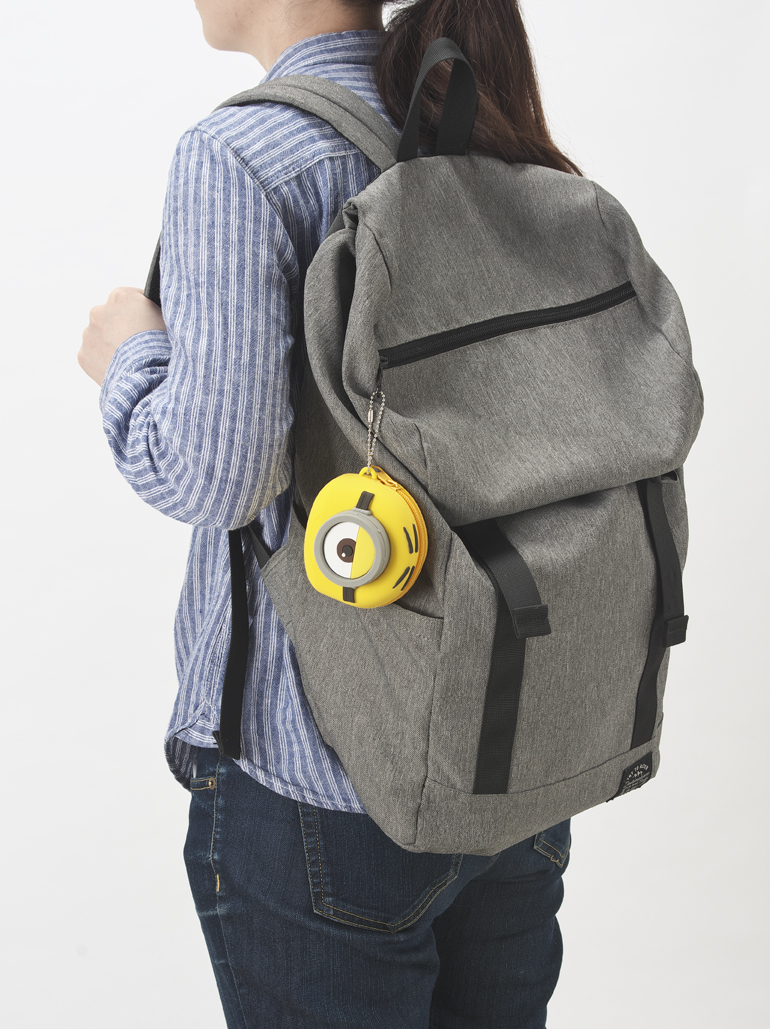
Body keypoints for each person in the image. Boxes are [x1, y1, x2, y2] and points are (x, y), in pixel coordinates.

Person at [78, 2, 579, 1026]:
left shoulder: (243, 157)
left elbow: (219, 478)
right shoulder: (473, 115)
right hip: (513, 757)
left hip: (324, 785)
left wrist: (130, 357)